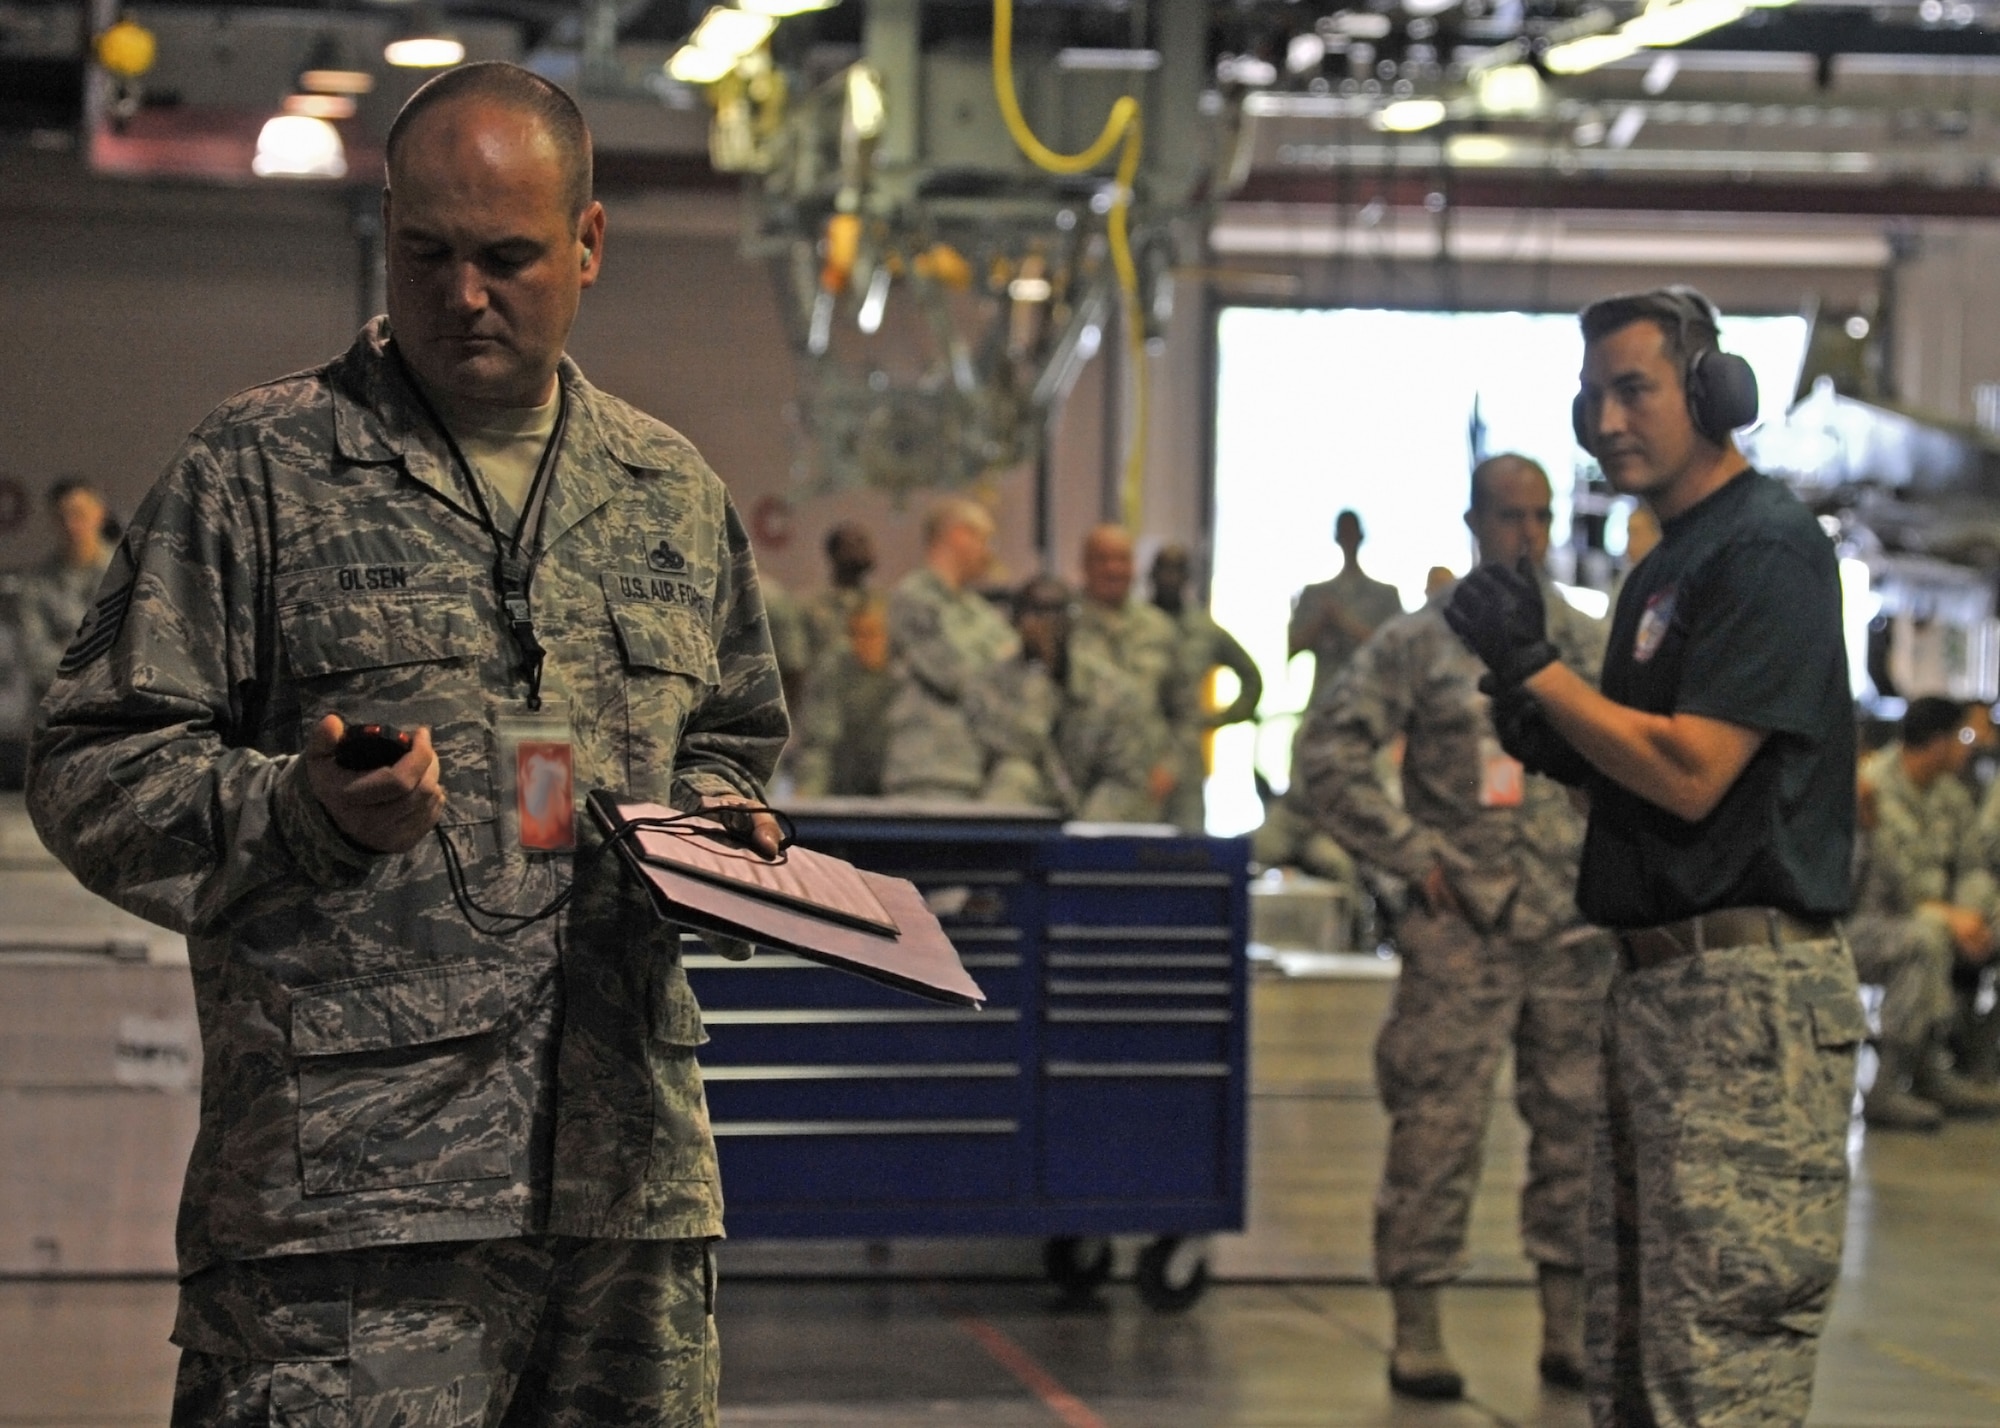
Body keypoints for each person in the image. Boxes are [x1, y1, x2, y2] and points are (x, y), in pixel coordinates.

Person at [27, 63, 789, 1428]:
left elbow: (732, 736)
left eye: (506, 257)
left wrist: (724, 830)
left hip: (626, 1208)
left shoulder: (671, 495)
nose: (463, 294)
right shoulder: (257, 476)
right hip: (348, 1231)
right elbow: (93, 769)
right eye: (426, 253)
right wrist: (295, 812)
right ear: (385, 233)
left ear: (591, 245)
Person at [1445, 286, 1862, 1428]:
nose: (1607, 420)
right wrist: (1546, 727)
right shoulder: (1669, 564)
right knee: (1638, 1362)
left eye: (1632, 389)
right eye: (1590, 398)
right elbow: (1645, 775)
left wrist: (1540, 673)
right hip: (1661, 995)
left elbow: (1691, 771)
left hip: (1744, 999)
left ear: (1709, 393)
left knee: (1716, 1373)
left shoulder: (1763, 551)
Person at [1298, 454, 1611, 1402]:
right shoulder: (1418, 644)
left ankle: (1567, 1324)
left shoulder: (1585, 642)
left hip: (1570, 931)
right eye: (1509, 515)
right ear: (1473, 521)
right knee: (1435, 1127)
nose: (1526, 532)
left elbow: (1630, 758)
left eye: (1540, 516)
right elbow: (1327, 755)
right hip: (1461, 928)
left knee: (1578, 1130)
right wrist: (1413, 857)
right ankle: (1418, 1326)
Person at [1847, 699, 2000, 1127]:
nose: (1969, 749)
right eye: (1962, 738)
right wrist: (1948, 918)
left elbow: (1974, 864)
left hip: (1933, 916)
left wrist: (1971, 911)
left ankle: (1971, 1059)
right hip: (1863, 925)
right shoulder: (1870, 787)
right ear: (1937, 743)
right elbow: (1889, 887)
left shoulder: (1949, 794)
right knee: (1925, 939)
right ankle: (1890, 1085)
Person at [967, 576, 1155, 820]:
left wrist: (1083, 838)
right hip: (1013, 827)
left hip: (1087, 831)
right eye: (1035, 613)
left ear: (1073, 620)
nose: (1046, 624)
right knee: (1015, 775)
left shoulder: (1111, 691)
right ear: (1016, 621)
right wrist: (1037, 681)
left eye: (1056, 612)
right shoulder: (988, 687)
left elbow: (1125, 778)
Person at [881, 499, 1017, 800]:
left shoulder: (978, 610)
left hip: (978, 766)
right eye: (985, 539)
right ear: (959, 535)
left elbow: (1015, 668)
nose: (989, 552)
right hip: (927, 769)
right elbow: (956, 674)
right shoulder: (914, 598)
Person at [1148, 544, 1262, 833]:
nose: (1170, 578)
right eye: (1164, 570)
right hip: (1138, 753)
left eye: (1177, 571)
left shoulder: (1203, 629)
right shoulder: (1136, 624)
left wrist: (1217, 719)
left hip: (1186, 754)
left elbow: (1251, 677)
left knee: (1188, 850)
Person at [1071, 524, 1180, 815]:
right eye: (1102, 559)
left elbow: (1184, 710)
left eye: (1122, 560)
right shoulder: (1064, 627)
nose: (1112, 569)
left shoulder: (1160, 629)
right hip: (1079, 782)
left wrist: (1171, 765)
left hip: (1149, 782)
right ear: (1085, 566)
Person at [1290, 508, 1405, 711]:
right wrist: (1321, 621)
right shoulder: (1315, 594)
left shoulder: (1385, 596)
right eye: (1344, 531)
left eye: (1351, 531)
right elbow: (1293, 646)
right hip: (1325, 703)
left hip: (1372, 703)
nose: (1348, 537)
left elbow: (1397, 649)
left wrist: (1344, 621)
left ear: (1360, 535)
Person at [18, 478, 117, 709]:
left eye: (79, 513)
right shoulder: (37, 583)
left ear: (99, 513)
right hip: (61, 710)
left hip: (121, 709)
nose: (71, 524)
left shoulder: (131, 572)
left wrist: (70, 648)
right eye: (62, 517)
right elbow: (35, 653)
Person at [789, 599, 895, 797]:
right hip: (843, 783)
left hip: (897, 783)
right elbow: (819, 741)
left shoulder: (908, 671)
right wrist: (808, 794)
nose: (865, 643)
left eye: (874, 634)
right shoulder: (834, 670)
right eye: (858, 635)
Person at [803, 521, 876, 669]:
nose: (866, 549)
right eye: (857, 543)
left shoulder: (880, 604)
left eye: (866, 543)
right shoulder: (812, 607)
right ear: (835, 553)